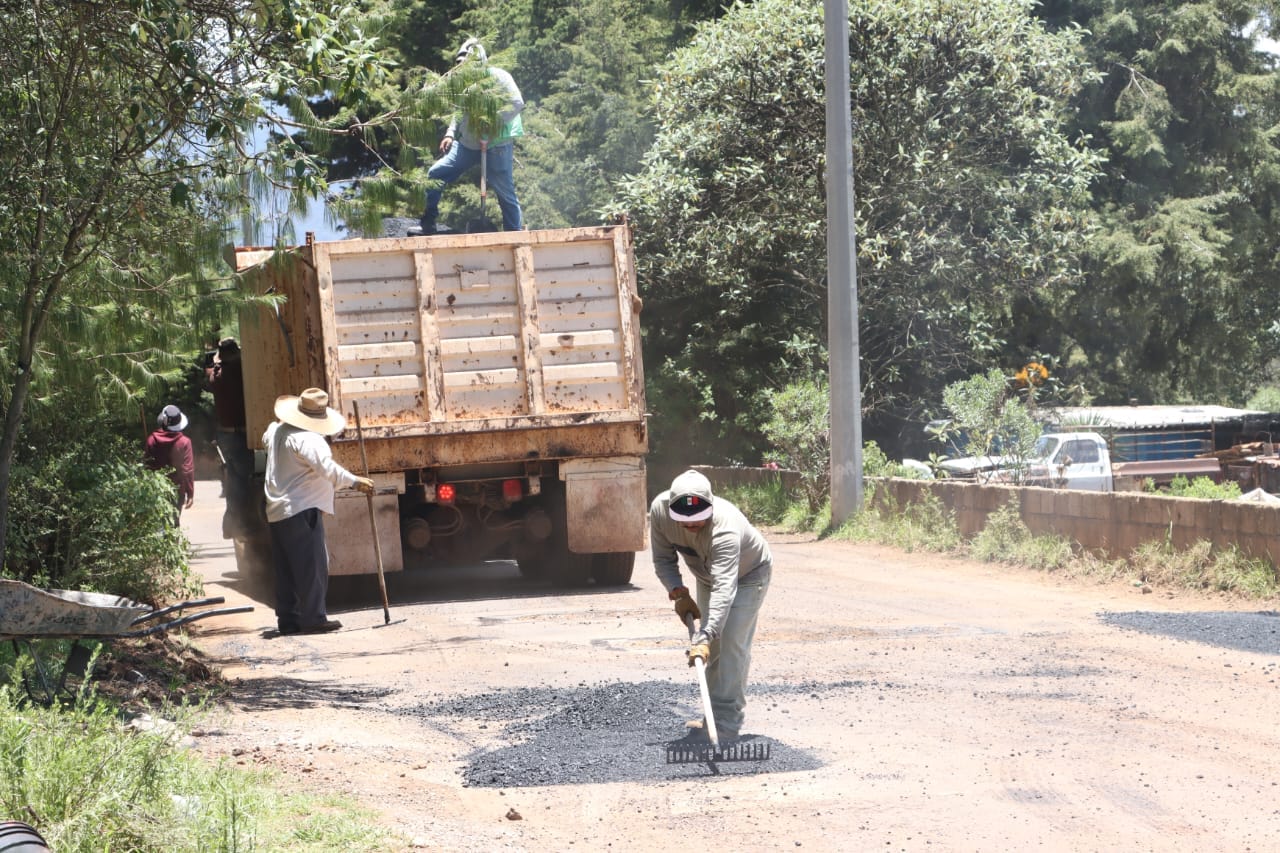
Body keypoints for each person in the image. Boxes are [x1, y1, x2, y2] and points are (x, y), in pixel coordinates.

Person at [649, 469, 772, 741]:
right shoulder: (659, 511)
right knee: (711, 649)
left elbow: (725, 587)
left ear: (711, 506)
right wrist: (679, 593)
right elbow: (663, 560)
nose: (691, 526)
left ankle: (727, 723)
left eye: (698, 520)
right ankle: (712, 720)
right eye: (684, 521)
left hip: (748, 576)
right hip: (707, 577)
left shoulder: (724, 528)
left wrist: (705, 633)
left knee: (729, 644)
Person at [262, 387, 374, 636]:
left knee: (286, 568)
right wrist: (356, 481)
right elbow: (328, 469)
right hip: (301, 509)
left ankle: (288, 619)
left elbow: (266, 435)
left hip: (277, 510)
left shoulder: (276, 431)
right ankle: (313, 618)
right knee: (312, 566)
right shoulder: (309, 440)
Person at [407, 38, 525, 235]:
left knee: (505, 190)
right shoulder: (464, 83)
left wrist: (491, 122)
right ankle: (427, 224)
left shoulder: (500, 78)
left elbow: (517, 103)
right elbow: (459, 110)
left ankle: (514, 234)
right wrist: (450, 133)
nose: (462, 70)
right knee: (436, 174)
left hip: (497, 144)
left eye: (466, 65)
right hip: (468, 143)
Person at [204, 337, 253, 539]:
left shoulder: (216, 376)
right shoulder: (240, 371)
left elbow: (209, 371)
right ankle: (242, 525)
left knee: (234, 478)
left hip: (225, 435)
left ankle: (232, 525)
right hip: (241, 433)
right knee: (245, 480)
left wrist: (213, 362)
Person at [143, 404, 195, 519]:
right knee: (173, 524)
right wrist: (190, 493)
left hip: (156, 490)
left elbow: (147, 467)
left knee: (157, 524)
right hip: (177, 490)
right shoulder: (184, 442)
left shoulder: (152, 440)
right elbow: (187, 470)